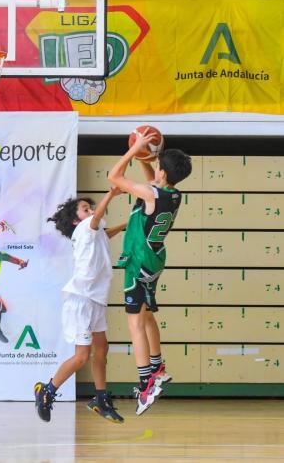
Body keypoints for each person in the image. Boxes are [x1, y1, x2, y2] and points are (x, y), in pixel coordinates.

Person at [108, 130, 192, 415]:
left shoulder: (152, 192)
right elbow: (153, 181)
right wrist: (149, 157)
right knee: (146, 315)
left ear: (162, 171)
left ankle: (146, 383)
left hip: (139, 260)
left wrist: (135, 151)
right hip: (154, 259)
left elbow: (113, 177)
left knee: (135, 324)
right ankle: (158, 366)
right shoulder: (174, 193)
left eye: (157, 167)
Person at [34, 189, 126, 424]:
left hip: (94, 300)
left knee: (102, 350)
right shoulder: (85, 228)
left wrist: (128, 223)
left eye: (91, 208)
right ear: (76, 220)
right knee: (82, 356)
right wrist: (112, 193)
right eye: (86, 209)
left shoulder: (94, 233)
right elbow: (97, 221)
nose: (92, 212)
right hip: (81, 301)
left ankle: (101, 399)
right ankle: (47, 390)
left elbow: (107, 233)